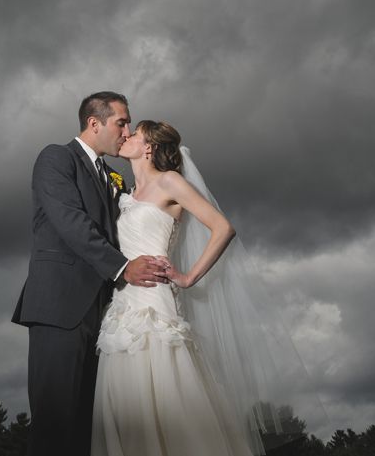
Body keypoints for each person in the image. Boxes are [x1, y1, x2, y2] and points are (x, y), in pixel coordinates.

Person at [12, 92, 170, 456]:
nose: (127, 131)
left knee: (89, 428)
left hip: (105, 315)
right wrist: (123, 267)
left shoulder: (113, 176)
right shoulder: (56, 158)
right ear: (94, 123)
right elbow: (71, 221)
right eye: (121, 122)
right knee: (55, 423)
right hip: (60, 308)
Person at [91, 120, 256, 456]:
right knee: (128, 408)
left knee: (169, 403)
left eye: (134, 134)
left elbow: (222, 227)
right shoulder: (127, 195)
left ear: (149, 147)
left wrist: (188, 277)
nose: (126, 137)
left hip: (155, 305)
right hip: (122, 308)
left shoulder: (170, 181)